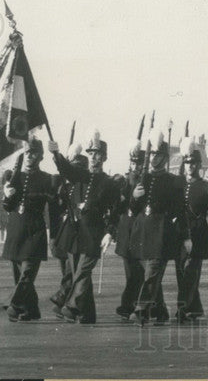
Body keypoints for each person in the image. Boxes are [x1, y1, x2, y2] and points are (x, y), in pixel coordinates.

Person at [49, 131, 120, 324]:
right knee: (78, 272)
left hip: (94, 234)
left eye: (98, 154)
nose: (94, 157)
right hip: (76, 232)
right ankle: (87, 314)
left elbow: (115, 210)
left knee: (82, 272)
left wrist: (110, 233)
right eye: (91, 154)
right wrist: (56, 155)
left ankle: (72, 306)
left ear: (104, 157)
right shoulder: (82, 175)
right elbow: (67, 170)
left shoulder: (109, 182)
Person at [130, 130, 182, 326]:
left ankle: (141, 308)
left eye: (158, 155)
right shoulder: (143, 178)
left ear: (165, 157)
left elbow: (178, 211)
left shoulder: (171, 181)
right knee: (151, 275)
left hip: (161, 231)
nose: (154, 158)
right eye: (152, 154)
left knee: (152, 273)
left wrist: (184, 236)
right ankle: (160, 311)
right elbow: (134, 209)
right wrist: (134, 196)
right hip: (143, 231)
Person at [1, 138, 54, 321]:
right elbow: (8, 207)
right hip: (16, 230)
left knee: (27, 274)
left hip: (35, 231)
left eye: (33, 153)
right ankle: (31, 310)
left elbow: (53, 208)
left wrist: (53, 234)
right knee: (20, 276)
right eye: (27, 152)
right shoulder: (13, 176)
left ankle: (14, 304)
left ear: (40, 156)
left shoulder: (47, 179)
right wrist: (6, 195)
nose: (29, 156)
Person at [114, 140, 166, 321]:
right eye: (133, 162)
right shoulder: (125, 181)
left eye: (138, 162)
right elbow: (119, 206)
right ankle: (157, 309)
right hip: (127, 230)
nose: (135, 165)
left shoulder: (145, 179)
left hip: (142, 231)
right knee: (136, 273)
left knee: (146, 272)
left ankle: (132, 305)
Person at [176, 143, 208, 323]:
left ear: (198, 165)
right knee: (183, 272)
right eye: (187, 163)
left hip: (199, 233)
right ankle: (195, 307)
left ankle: (182, 308)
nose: (190, 166)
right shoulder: (178, 184)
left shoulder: (207, 187)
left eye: (194, 163)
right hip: (181, 232)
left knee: (191, 272)